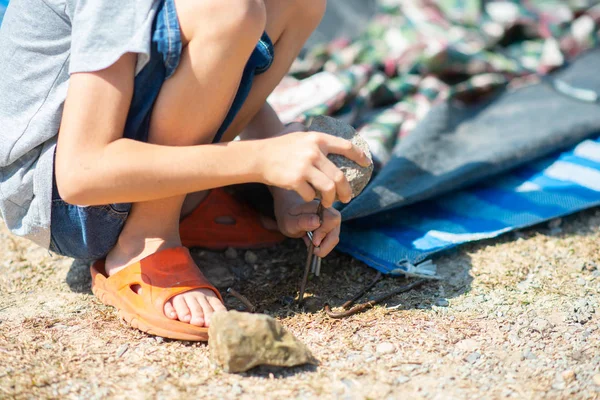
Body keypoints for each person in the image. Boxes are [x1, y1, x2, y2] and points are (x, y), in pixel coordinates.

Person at [0, 0, 371, 340]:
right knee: (227, 11)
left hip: (119, 170)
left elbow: (217, 62)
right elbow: (80, 174)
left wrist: (285, 186)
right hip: (63, 203)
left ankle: (178, 203)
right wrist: (261, 160)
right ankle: (147, 238)